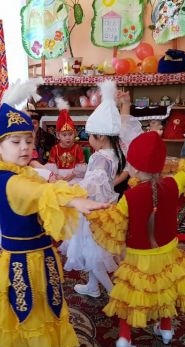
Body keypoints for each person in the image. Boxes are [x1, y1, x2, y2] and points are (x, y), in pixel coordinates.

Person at [0, 102, 107, 347]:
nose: (25, 147)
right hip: (26, 263)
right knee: (35, 314)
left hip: (22, 256)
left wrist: (44, 173)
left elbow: (38, 175)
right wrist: (75, 200)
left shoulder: (13, 170)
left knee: (15, 311)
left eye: (28, 140)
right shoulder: (14, 183)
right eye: (15, 142)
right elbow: (40, 191)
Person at [88, 131, 185, 347]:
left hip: (138, 258)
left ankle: (125, 338)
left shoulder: (129, 197)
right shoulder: (173, 183)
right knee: (165, 289)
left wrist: (90, 209)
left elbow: (113, 223)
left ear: (134, 167)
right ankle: (166, 329)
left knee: (130, 297)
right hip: (168, 253)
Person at [60, 80, 126, 298]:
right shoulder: (115, 154)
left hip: (93, 212)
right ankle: (92, 286)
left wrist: (70, 188)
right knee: (95, 250)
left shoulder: (98, 157)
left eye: (90, 135)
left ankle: (114, 293)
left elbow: (92, 183)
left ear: (102, 136)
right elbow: (101, 179)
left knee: (92, 256)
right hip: (108, 207)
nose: (88, 139)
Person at [45, 98, 87, 182]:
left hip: (74, 176)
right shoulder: (55, 149)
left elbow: (81, 165)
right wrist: (57, 176)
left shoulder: (77, 148)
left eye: (70, 134)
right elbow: (51, 166)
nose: (68, 137)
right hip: (58, 177)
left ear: (75, 133)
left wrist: (73, 174)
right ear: (58, 135)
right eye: (64, 135)